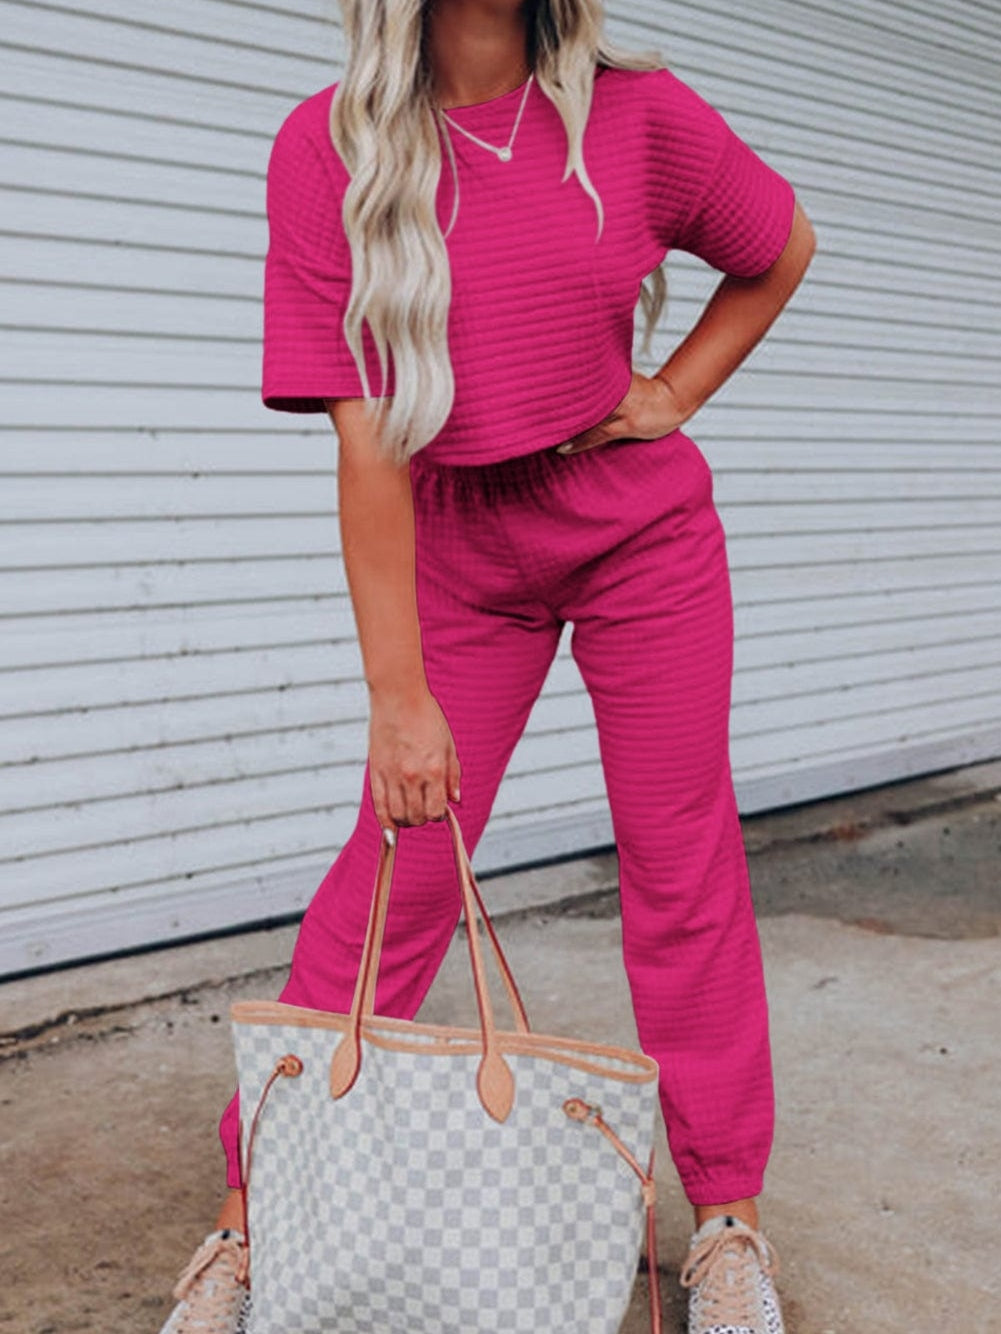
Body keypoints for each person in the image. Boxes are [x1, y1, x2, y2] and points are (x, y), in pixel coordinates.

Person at [158, 0, 816, 1331]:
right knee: (393, 874)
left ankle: (726, 1221)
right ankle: (250, 1215)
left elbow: (778, 247)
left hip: (639, 531)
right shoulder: (328, 149)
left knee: (677, 857)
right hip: (457, 543)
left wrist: (671, 392)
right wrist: (397, 703)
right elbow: (365, 448)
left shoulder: (639, 113)